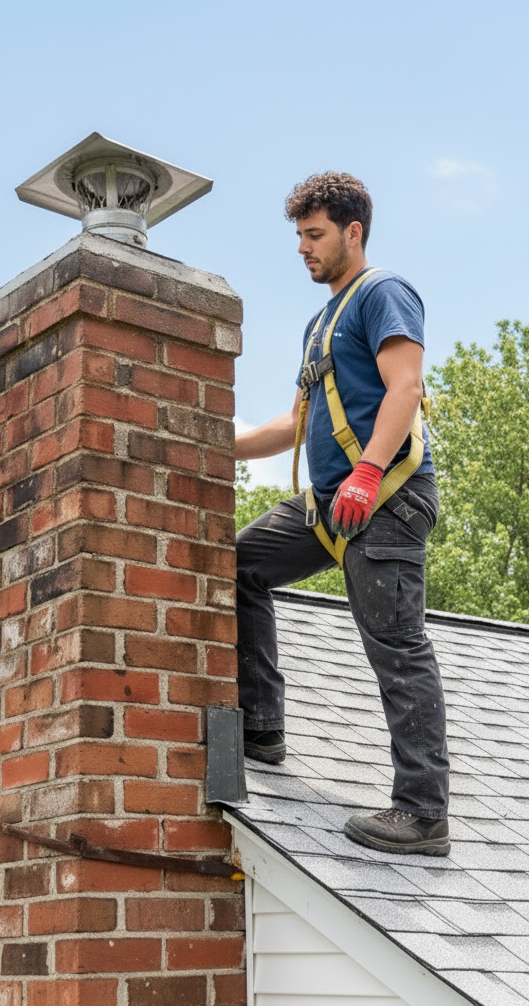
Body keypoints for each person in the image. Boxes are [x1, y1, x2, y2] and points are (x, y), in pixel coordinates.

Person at [235, 172, 450, 856]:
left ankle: (422, 814)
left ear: (353, 231)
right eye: (299, 235)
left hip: (383, 499)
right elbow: (297, 422)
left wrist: (366, 470)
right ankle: (261, 728)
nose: (303, 248)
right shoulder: (319, 323)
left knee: (397, 646)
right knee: (237, 563)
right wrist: (214, 443)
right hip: (327, 506)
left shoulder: (383, 293)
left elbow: (405, 385)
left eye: (315, 235)